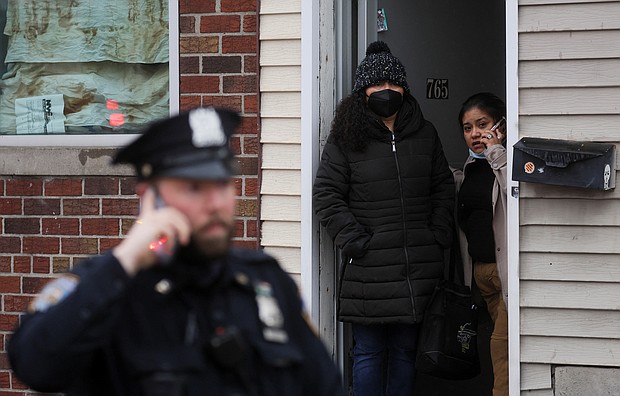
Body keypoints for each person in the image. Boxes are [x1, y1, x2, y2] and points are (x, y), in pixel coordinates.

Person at [8, 107, 346, 396]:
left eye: (223, 184)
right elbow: (36, 365)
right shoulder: (108, 291)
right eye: (194, 187)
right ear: (150, 197)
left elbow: (324, 385)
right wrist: (125, 261)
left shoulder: (265, 283)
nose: (215, 204)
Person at [312, 41, 454, 396]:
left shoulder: (426, 133)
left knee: (406, 353)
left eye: (393, 84)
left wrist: (436, 234)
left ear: (404, 88)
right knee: (369, 354)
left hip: (416, 267)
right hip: (369, 269)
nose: (386, 91)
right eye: (378, 85)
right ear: (363, 93)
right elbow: (326, 195)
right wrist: (356, 241)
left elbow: (443, 188)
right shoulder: (347, 138)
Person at [456, 92, 508, 396]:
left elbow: (515, 197)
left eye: (482, 124)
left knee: (501, 349)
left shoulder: (504, 162)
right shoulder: (471, 169)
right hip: (482, 276)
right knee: (498, 349)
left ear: (499, 124)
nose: (475, 133)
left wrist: (497, 152)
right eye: (467, 127)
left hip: (504, 276)